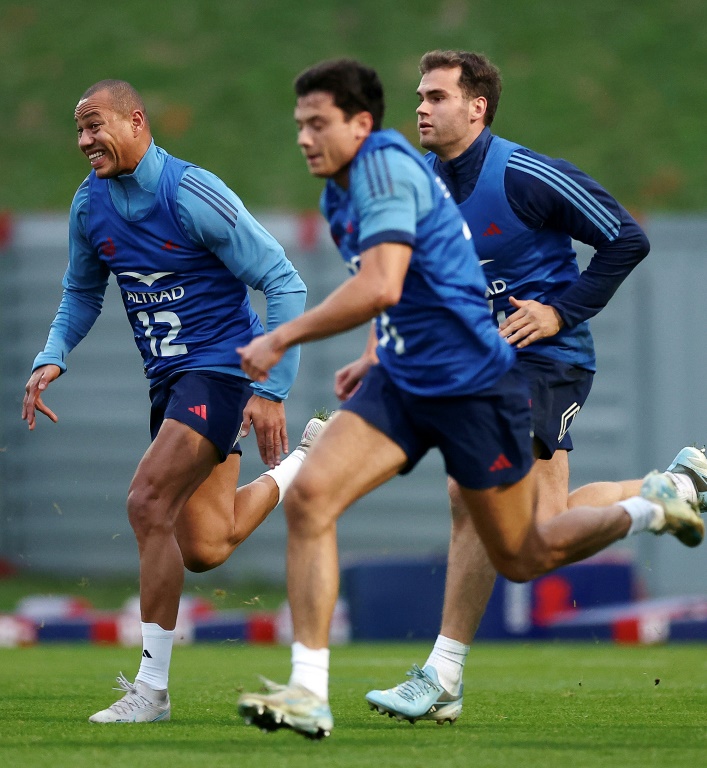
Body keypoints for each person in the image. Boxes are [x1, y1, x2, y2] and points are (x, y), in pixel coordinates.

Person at [234, 58, 703, 740]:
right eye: (298, 124)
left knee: (516, 542)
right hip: (415, 368)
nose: (422, 108)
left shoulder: (508, 173)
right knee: (318, 498)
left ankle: (643, 507)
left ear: (476, 108)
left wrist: (558, 312)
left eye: (437, 96)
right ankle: (316, 691)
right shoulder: (364, 187)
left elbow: (625, 238)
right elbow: (403, 279)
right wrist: (372, 352)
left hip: (527, 363)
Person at [21, 79, 316, 724]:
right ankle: (303, 467)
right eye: (78, 130)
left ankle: (151, 691)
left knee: (146, 500)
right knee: (207, 546)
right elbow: (81, 291)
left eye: (95, 126)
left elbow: (284, 283)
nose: (84, 141)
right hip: (171, 386)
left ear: (136, 121)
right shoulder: (88, 206)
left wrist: (271, 390)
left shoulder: (191, 195)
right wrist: (52, 353)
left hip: (220, 373)